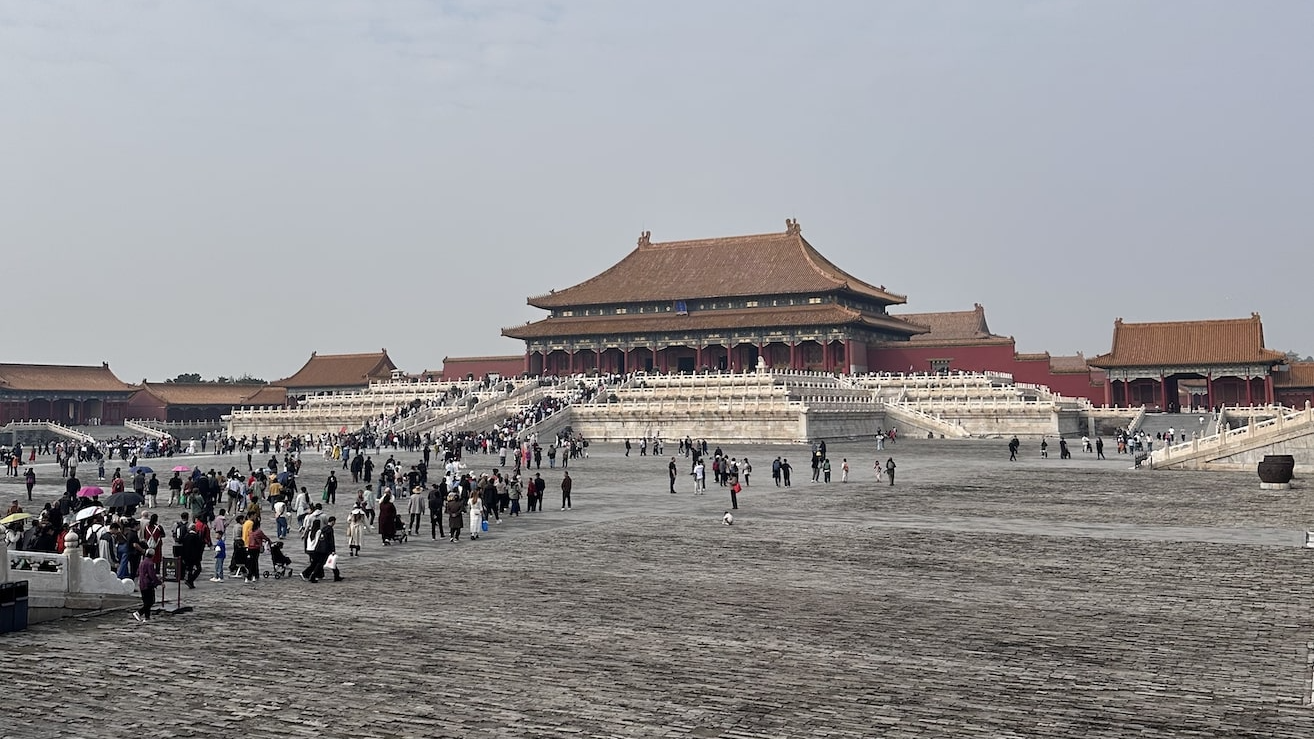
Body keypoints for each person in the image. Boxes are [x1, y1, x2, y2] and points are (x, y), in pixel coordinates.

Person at [133, 555, 161, 623]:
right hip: (148, 584)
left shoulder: (142, 562)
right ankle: (139, 612)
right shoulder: (150, 564)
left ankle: (147, 618)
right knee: (151, 601)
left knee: (146, 602)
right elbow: (152, 575)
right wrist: (158, 582)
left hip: (141, 584)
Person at [180, 521, 204, 589]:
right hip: (195, 557)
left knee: (190, 569)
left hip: (187, 557)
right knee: (198, 569)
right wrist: (199, 557)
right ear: (195, 529)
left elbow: (183, 548)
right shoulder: (196, 537)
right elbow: (199, 548)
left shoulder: (186, 536)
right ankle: (190, 580)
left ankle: (190, 582)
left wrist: (183, 557)